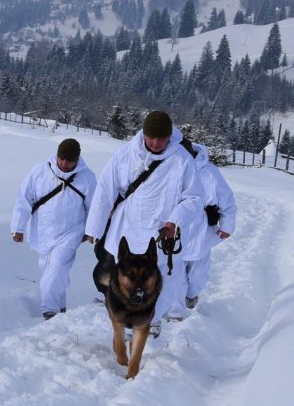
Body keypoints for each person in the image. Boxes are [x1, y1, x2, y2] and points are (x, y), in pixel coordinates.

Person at [84, 110, 204, 336]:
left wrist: (175, 221)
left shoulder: (181, 160)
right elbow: (105, 189)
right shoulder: (127, 153)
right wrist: (94, 228)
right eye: (152, 137)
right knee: (127, 278)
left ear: (170, 136)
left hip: (161, 231)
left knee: (160, 279)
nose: (156, 142)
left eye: (162, 138)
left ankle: (152, 320)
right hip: (128, 227)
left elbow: (194, 197)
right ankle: (128, 322)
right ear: (144, 134)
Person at [11, 138, 97, 320]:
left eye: (70, 160)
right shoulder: (40, 171)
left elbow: (93, 207)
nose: (64, 164)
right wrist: (18, 227)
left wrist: (90, 231)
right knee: (51, 271)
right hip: (42, 232)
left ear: (77, 159)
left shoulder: (87, 177)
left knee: (57, 267)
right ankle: (60, 306)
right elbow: (24, 199)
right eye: (62, 159)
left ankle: (49, 310)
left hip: (70, 233)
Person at [173, 139, 236, 312]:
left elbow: (227, 199)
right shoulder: (171, 169)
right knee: (174, 273)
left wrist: (227, 226)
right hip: (176, 229)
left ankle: (192, 293)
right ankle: (175, 307)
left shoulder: (210, 173)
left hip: (202, 232)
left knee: (197, 275)